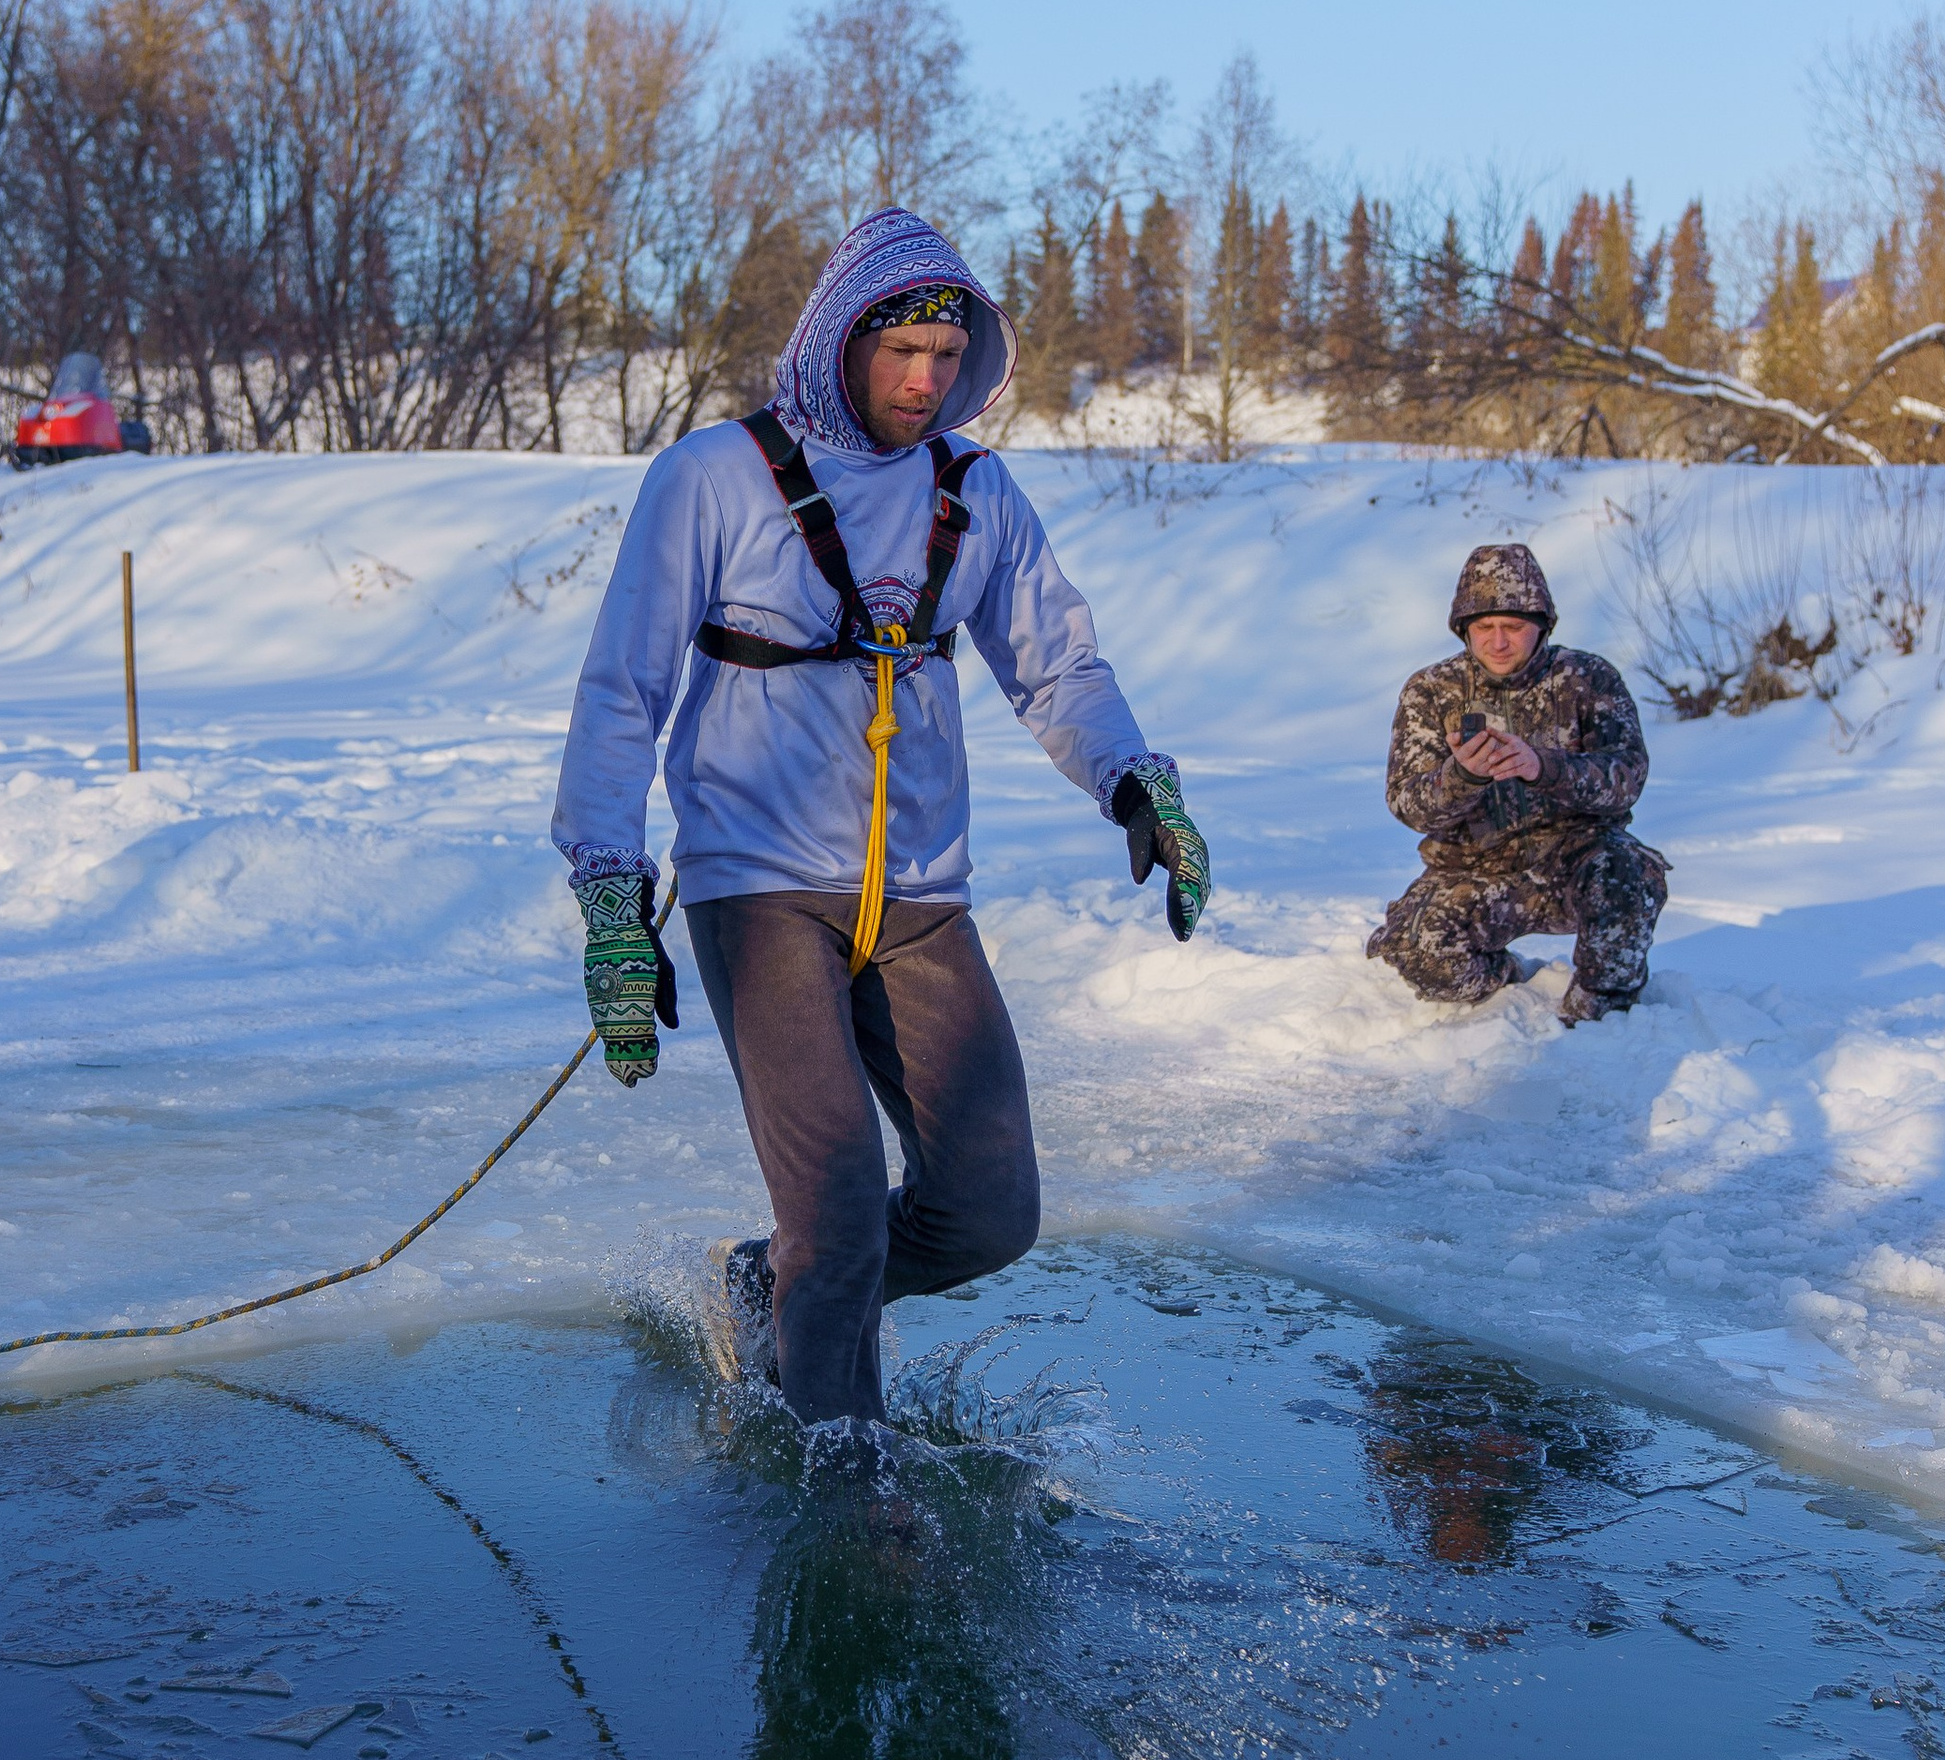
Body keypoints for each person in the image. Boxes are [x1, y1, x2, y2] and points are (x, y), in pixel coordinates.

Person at [552, 205, 1210, 1469]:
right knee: (843, 1203)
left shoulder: (974, 491)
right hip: (756, 889)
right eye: (900, 351)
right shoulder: (714, 476)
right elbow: (619, 690)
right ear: (839, 344)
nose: (925, 381)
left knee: (989, 1210)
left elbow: (1058, 668)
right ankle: (850, 1488)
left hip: (918, 896)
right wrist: (608, 892)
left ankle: (772, 1293)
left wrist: (1137, 785)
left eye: (946, 358)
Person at [1366, 541, 1666, 1022]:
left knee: (1626, 876)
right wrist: (1462, 776)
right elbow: (1408, 804)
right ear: (1464, 630)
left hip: (1574, 859)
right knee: (1421, 954)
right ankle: (1505, 979)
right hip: (1471, 868)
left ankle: (1601, 1011)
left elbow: (1626, 779)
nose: (1498, 642)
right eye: (1484, 627)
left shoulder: (1588, 678)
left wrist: (1544, 767)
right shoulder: (1430, 690)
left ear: (1542, 626)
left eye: (1513, 627)